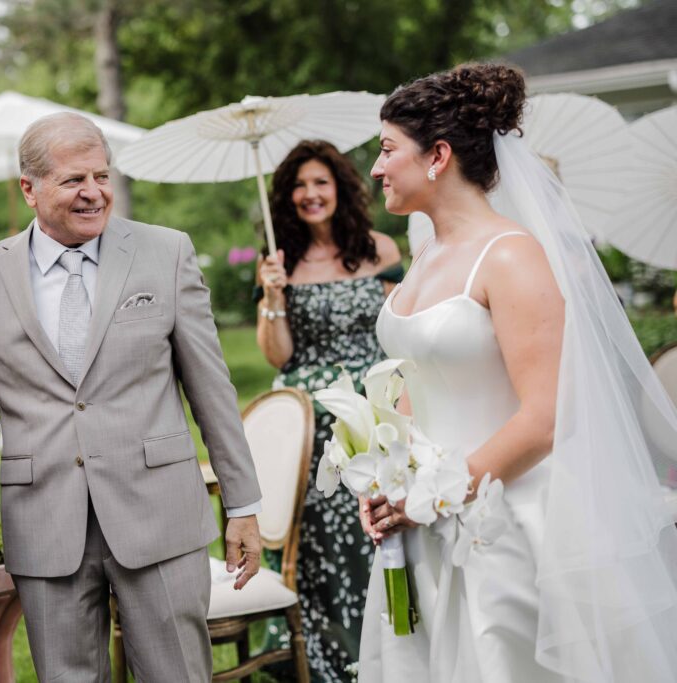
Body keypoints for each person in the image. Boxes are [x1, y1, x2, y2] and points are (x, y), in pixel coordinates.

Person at [361, 63, 677, 682]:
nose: (375, 168)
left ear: (438, 156)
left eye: (386, 149)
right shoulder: (425, 257)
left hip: (503, 524)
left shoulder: (509, 256)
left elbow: (546, 416)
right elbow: (413, 380)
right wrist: (385, 476)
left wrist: (434, 494)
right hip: (425, 522)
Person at [0, 112, 263, 681]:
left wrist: (243, 505)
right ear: (28, 189)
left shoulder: (166, 252)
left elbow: (211, 388)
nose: (94, 194)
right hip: (44, 518)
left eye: (101, 177)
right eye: (73, 181)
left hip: (159, 512)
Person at [255, 140, 401, 681]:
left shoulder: (380, 251)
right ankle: (325, 657)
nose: (310, 194)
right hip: (308, 429)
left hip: (375, 412)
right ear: (286, 197)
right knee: (318, 547)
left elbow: (398, 329)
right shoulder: (279, 264)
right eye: (299, 184)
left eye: (320, 182)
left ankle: (393, 646)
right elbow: (278, 355)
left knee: (381, 530)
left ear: (339, 187)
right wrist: (272, 296)